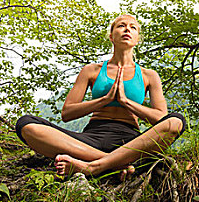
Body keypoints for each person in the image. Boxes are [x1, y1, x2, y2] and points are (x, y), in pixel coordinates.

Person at [15, 14, 186, 177]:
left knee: (175, 122)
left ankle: (93, 166)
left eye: (133, 27)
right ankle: (117, 164)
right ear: (112, 36)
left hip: (130, 141)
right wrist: (105, 100)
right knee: (27, 125)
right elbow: (67, 113)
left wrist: (125, 102)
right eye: (121, 26)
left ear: (137, 39)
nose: (127, 29)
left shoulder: (149, 75)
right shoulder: (92, 70)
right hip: (91, 137)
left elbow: (160, 118)